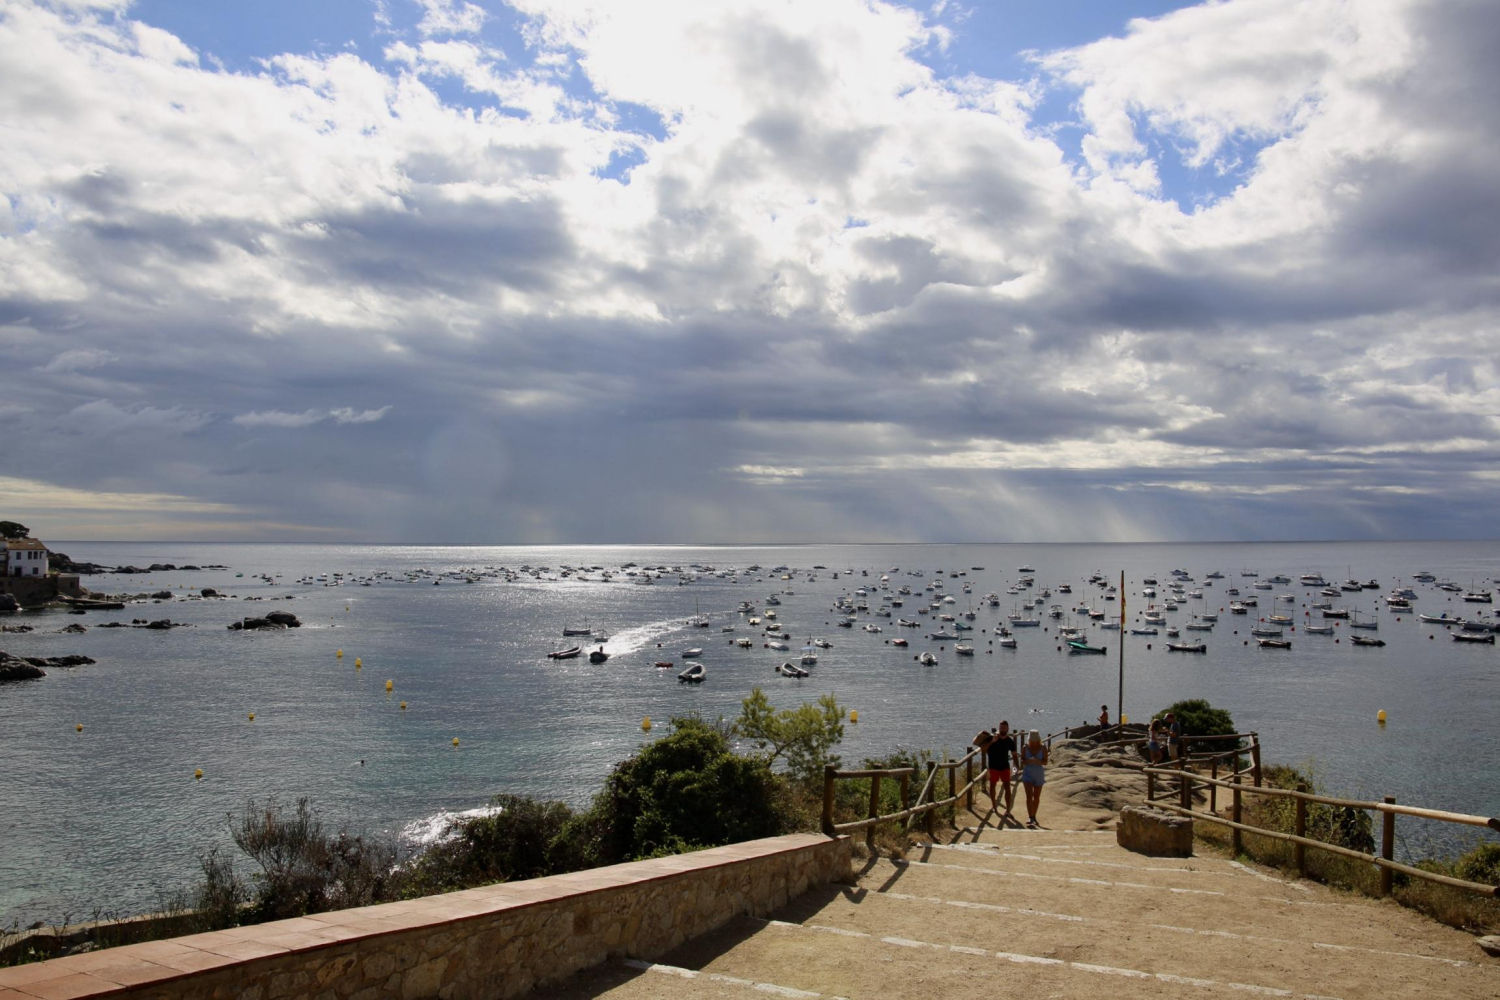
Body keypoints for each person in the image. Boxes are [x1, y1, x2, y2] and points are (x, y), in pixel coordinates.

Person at [984, 721, 1019, 816]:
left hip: (1005, 767)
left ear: (1008, 729)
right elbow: (984, 750)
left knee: (1007, 788)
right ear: (999, 728)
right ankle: (994, 807)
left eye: (1004, 728)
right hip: (993, 766)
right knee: (992, 786)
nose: (1002, 729)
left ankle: (1008, 810)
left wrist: (1016, 768)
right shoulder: (992, 738)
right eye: (1001, 727)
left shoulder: (1010, 741)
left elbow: (1014, 755)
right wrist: (992, 742)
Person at [1020, 731, 1048, 828]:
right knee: (1029, 796)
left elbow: (1045, 762)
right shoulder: (1025, 747)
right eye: (1032, 740)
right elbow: (1022, 760)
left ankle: (1034, 816)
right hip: (1027, 773)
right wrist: (1028, 761)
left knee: (1036, 797)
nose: (1033, 742)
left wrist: (1037, 761)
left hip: (1038, 774)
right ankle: (1030, 817)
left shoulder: (1043, 747)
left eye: (1035, 740)